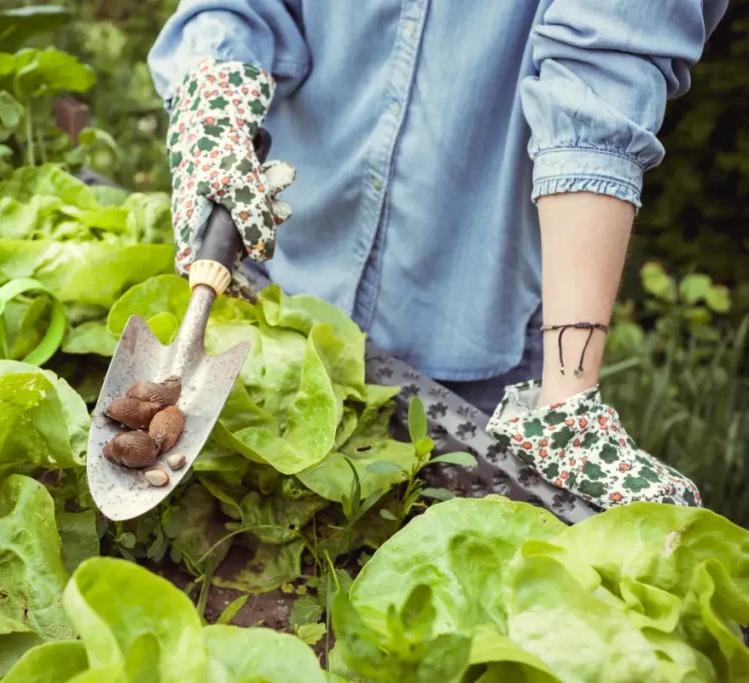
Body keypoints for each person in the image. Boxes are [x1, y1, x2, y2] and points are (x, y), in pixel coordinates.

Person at [147, 0, 727, 510]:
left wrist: (567, 401)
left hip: (470, 333)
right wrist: (214, 99)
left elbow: (601, 78)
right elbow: (240, 9)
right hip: (280, 285)